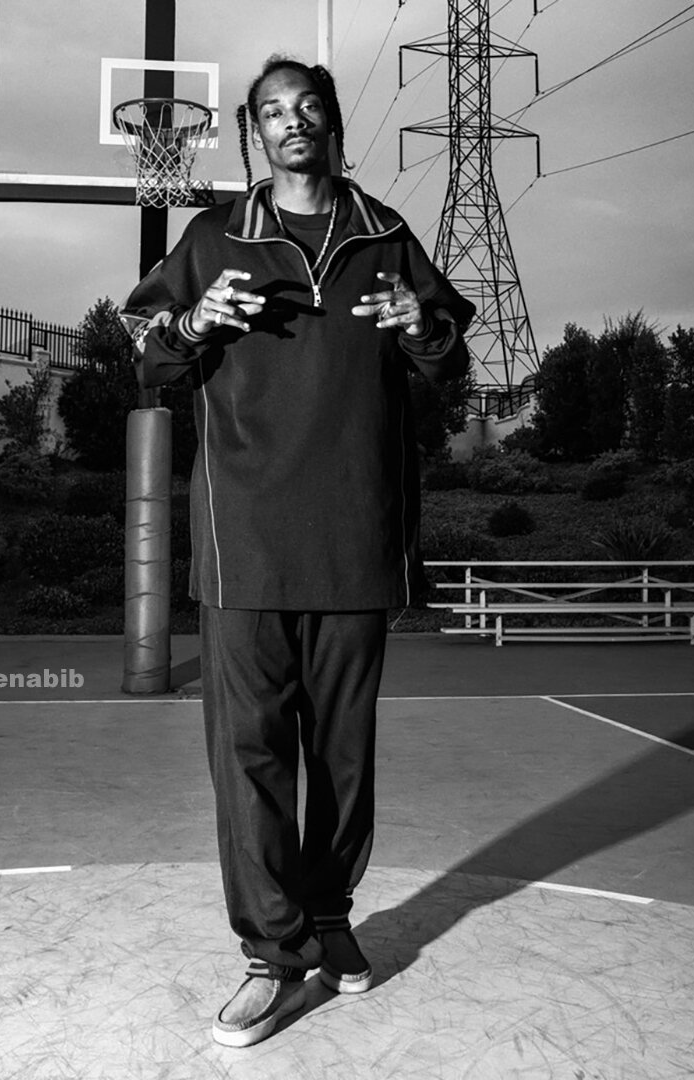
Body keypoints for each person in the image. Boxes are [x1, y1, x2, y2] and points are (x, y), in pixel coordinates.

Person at [123, 56, 475, 1048]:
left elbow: (446, 354)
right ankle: (271, 957)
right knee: (251, 756)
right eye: (271, 112)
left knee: (343, 755)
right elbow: (146, 356)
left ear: (329, 125)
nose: (291, 123)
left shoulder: (385, 238)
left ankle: (329, 920)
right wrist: (193, 321)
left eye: (306, 106)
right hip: (246, 545)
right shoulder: (211, 240)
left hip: (356, 533)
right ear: (250, 134)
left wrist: (424, 328)